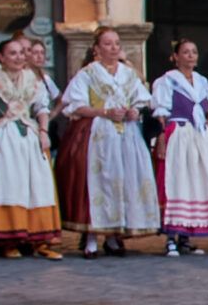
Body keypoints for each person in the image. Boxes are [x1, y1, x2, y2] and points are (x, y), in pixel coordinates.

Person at [58, 27, 160, 257]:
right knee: (100, 181)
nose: (113, 48)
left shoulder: (128, 73)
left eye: (116, 43)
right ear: (97, 48)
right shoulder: (87, 74)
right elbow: (75, 105)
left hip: (127, 135)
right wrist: (103, 112)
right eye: (107, 44)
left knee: (125, 180)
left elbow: (141, 99)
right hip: (98, 133)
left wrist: (135, 111)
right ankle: (92, 237)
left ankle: (115, 236)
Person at [0, 36, 61, 257]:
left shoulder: (31, 78)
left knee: (37, 185)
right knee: (7, 183)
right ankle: (9, 240)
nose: (18, 57)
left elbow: (42, 107)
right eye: (13, 53)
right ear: (1, 57)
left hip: (29, 135)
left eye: (21, 53)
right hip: (3, 135)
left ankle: (38, 239)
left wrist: (44, 131)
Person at [150, 40, 208, 256]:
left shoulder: (203, 82)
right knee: (177, 182)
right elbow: (161, 111)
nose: (190, 56)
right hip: (178, 133)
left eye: (194, 52)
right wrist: (162, 135)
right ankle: (170, 238)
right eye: (185, 52)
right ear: (176, 56)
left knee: (195, 182)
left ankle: (185, 237)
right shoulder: (168, 81)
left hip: (199, 136)